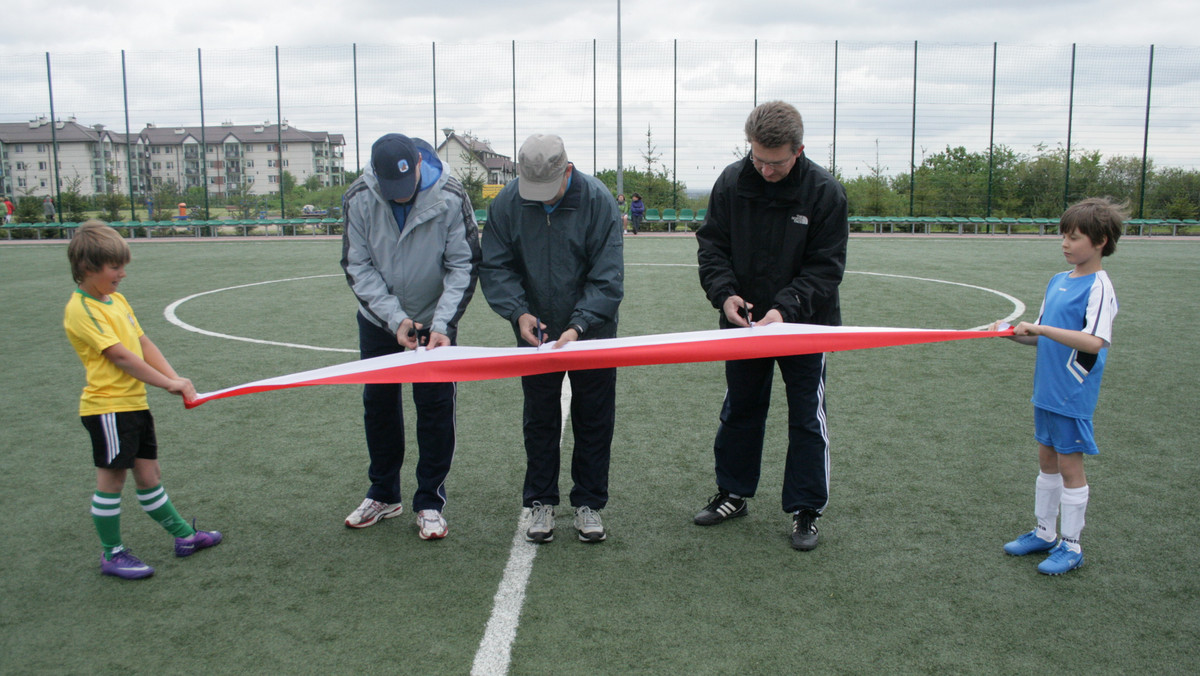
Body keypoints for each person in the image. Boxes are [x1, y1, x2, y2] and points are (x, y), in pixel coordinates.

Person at [693, 101, 849, 551]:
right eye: (757, 158)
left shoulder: (824, 192)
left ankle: (806, 510)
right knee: (740, 408)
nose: (765, 169)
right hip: (742, 326)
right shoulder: (731, 181)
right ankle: (733, 493)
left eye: (775, 162)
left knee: (806, 417)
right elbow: (712, 248)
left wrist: (783, 310)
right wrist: (725, 297)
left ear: (798, 150)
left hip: (805, 326)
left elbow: (826, 268)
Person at [480, 133, 624, 544]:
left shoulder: (598, 201)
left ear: (567, 169)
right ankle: (541, 500)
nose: (541, 199)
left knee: (594, 417)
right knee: (539, 416)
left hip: (593, 332)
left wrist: (580, 325)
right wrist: (519, 312)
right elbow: (496, 265)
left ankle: (589, 502)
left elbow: (608, 275)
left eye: (549, 189)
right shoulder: (508, 202)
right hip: (536, 333)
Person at [340, 133, 480, 540]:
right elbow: (357, 265)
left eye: (407, 187)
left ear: (420, 164)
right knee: (378, 404)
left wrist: (442, 325)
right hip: (380, 320)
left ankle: (430, 501)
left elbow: (464, 264)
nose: (401, 198)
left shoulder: (451, 195)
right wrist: (394, 319)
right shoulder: (359, 197)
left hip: (436, 318)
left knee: (435, 406)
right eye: (392, 191)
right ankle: (383, 494)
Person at [64, 220, 222, 580]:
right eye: (115, 267)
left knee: (149, 474)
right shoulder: (81, 309)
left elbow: (143, 342)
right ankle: (113, 554)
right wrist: (167, 383)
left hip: (133, 405)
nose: (122, 274)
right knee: (112, 481)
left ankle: (184, 536)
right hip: (107, 408)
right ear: (88, 267)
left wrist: (177, 379)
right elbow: (120, 356)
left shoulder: (115, 300)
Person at [994, 197, 1123, 575]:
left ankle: (1072, 545)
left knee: (1070, 466)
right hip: (1046, 390)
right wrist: (1008, 335)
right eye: (1063, 236)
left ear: (1100, 242)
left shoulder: (1100, 286)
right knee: (1046, 460)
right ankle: (1045, 532)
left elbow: (1094, 342)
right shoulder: (1057, 281)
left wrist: (1043, 328)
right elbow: (1041, 337)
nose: (1066, 244)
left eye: (1075, 237)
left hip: (1072, 392)